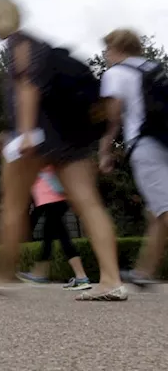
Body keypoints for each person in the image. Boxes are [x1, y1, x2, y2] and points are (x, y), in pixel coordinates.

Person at [0, 0, 125, 300]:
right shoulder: (42, 46)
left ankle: (2, 275)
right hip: (68, 139)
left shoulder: (19, 44)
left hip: (37, 139)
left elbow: (27, 87)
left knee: (12, 206)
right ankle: (112, 280)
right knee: (89, 205)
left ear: (2, 18)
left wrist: (23, 133)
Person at [98, 29, 168, 289]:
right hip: (164, 140)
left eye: (107, 48)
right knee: (156, 212)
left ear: (117, 47)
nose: (105, 54)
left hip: (146, 146)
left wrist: (105, 150)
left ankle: (143, 272)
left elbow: (113, 117)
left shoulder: (116, 73)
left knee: (164, 211)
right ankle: (143, 271)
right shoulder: (154, 67)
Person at [17, 167, 92, 290]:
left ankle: (81, 277)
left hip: (53, 198)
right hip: (51, 198)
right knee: (49, 236)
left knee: (61, 236)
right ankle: (41, 274)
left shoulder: (42, 154)